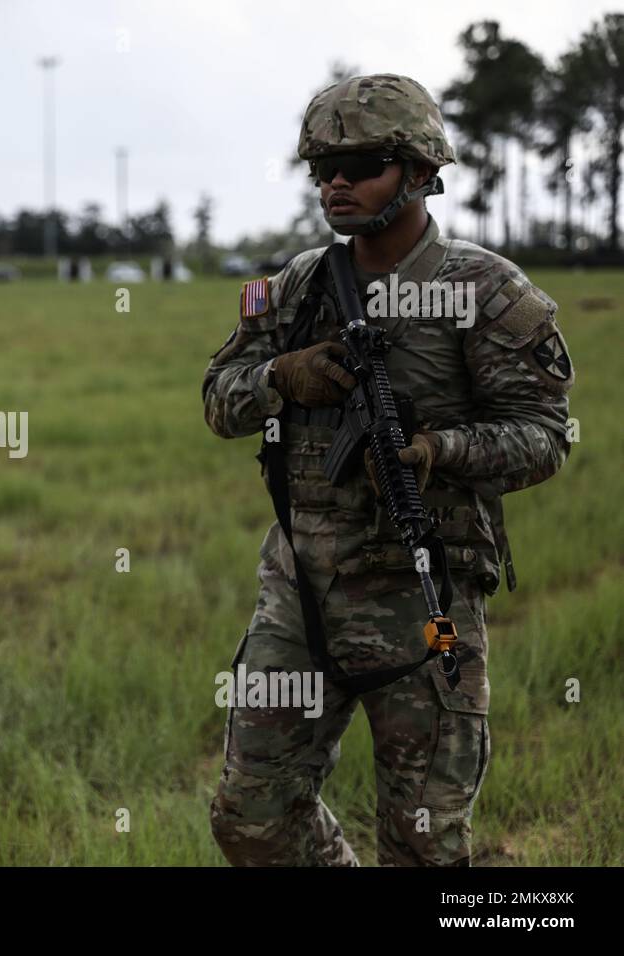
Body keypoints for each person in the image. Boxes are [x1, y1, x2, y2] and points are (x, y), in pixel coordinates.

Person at [202, 74, 574, 866]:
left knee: (423, 846)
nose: (336, 183)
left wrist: (438, 452)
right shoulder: (295, 289)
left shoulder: (488, 293)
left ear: (418, 170)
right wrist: (279, 378)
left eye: (361, 162)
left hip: (426, 600)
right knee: (251, 820)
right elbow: (216, 399)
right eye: (321, 168)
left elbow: (546, 434)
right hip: (301, 596)